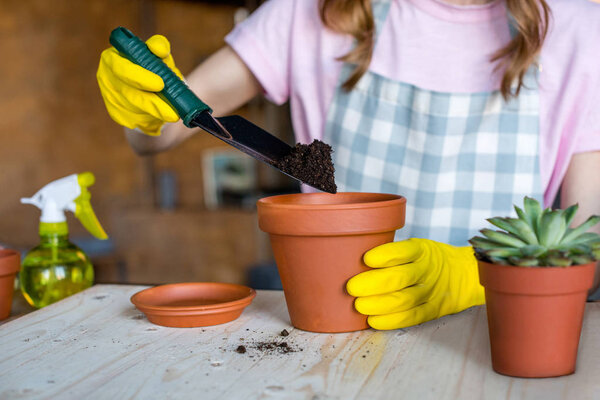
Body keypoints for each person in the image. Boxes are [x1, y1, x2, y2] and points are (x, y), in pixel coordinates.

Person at [97, 0, 600, 329]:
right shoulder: (308, 11)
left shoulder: (581, 27)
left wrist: (482, 276)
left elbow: (588, 247)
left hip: (498, 335)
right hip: (334, 332)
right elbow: (159, 133)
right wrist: (140, 111)